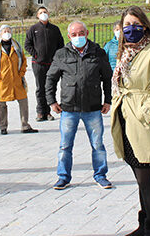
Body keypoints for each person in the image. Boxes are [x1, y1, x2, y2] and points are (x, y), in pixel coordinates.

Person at [112, 6, 150, 236]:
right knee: (139, 179)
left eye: (135, 24)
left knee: (147, 180)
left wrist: (145, 113)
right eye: (126, 25)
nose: (131, 29)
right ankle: (144, 224)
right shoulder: (125, 52)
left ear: (145, 25)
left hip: (145, 124)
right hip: (128, 122)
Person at [46, 21, 113, 190]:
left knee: (98, 144)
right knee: (65, 145)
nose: (78, 37)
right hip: (69, 109)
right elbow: (51, 79)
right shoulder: (61, 54)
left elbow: (107, 78)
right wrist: (51, 101)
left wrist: (108, 100)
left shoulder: (98, 53)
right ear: (69, 36)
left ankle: (101, 175)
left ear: (87, 33)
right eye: (74, 35)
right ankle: (63, 177)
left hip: (93, 108)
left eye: (81, 33)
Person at [0, 25, 38, 134]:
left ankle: (25, 125)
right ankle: (3, 127)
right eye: (4, 31)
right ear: (0, 33)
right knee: (1, 105)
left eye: (8, 30)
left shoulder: (17, 47)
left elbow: (24, 61)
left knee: (23, 101)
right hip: (3, 82)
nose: (7, 32)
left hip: (17, 80)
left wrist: (22, 73)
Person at [25, 6, 65, 122]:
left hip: (52, 64)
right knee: (40, 88)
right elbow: (27, 45)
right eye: (41, 12)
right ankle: (40, 112)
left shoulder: (55, 29)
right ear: (37, 15)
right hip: (38, 64)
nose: (43, 14)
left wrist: (56, 58)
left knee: (51, 87)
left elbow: (60, 45)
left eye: (45, 12)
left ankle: (48, 112)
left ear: (48, 13)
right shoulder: (33, 29)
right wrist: (36, 55)